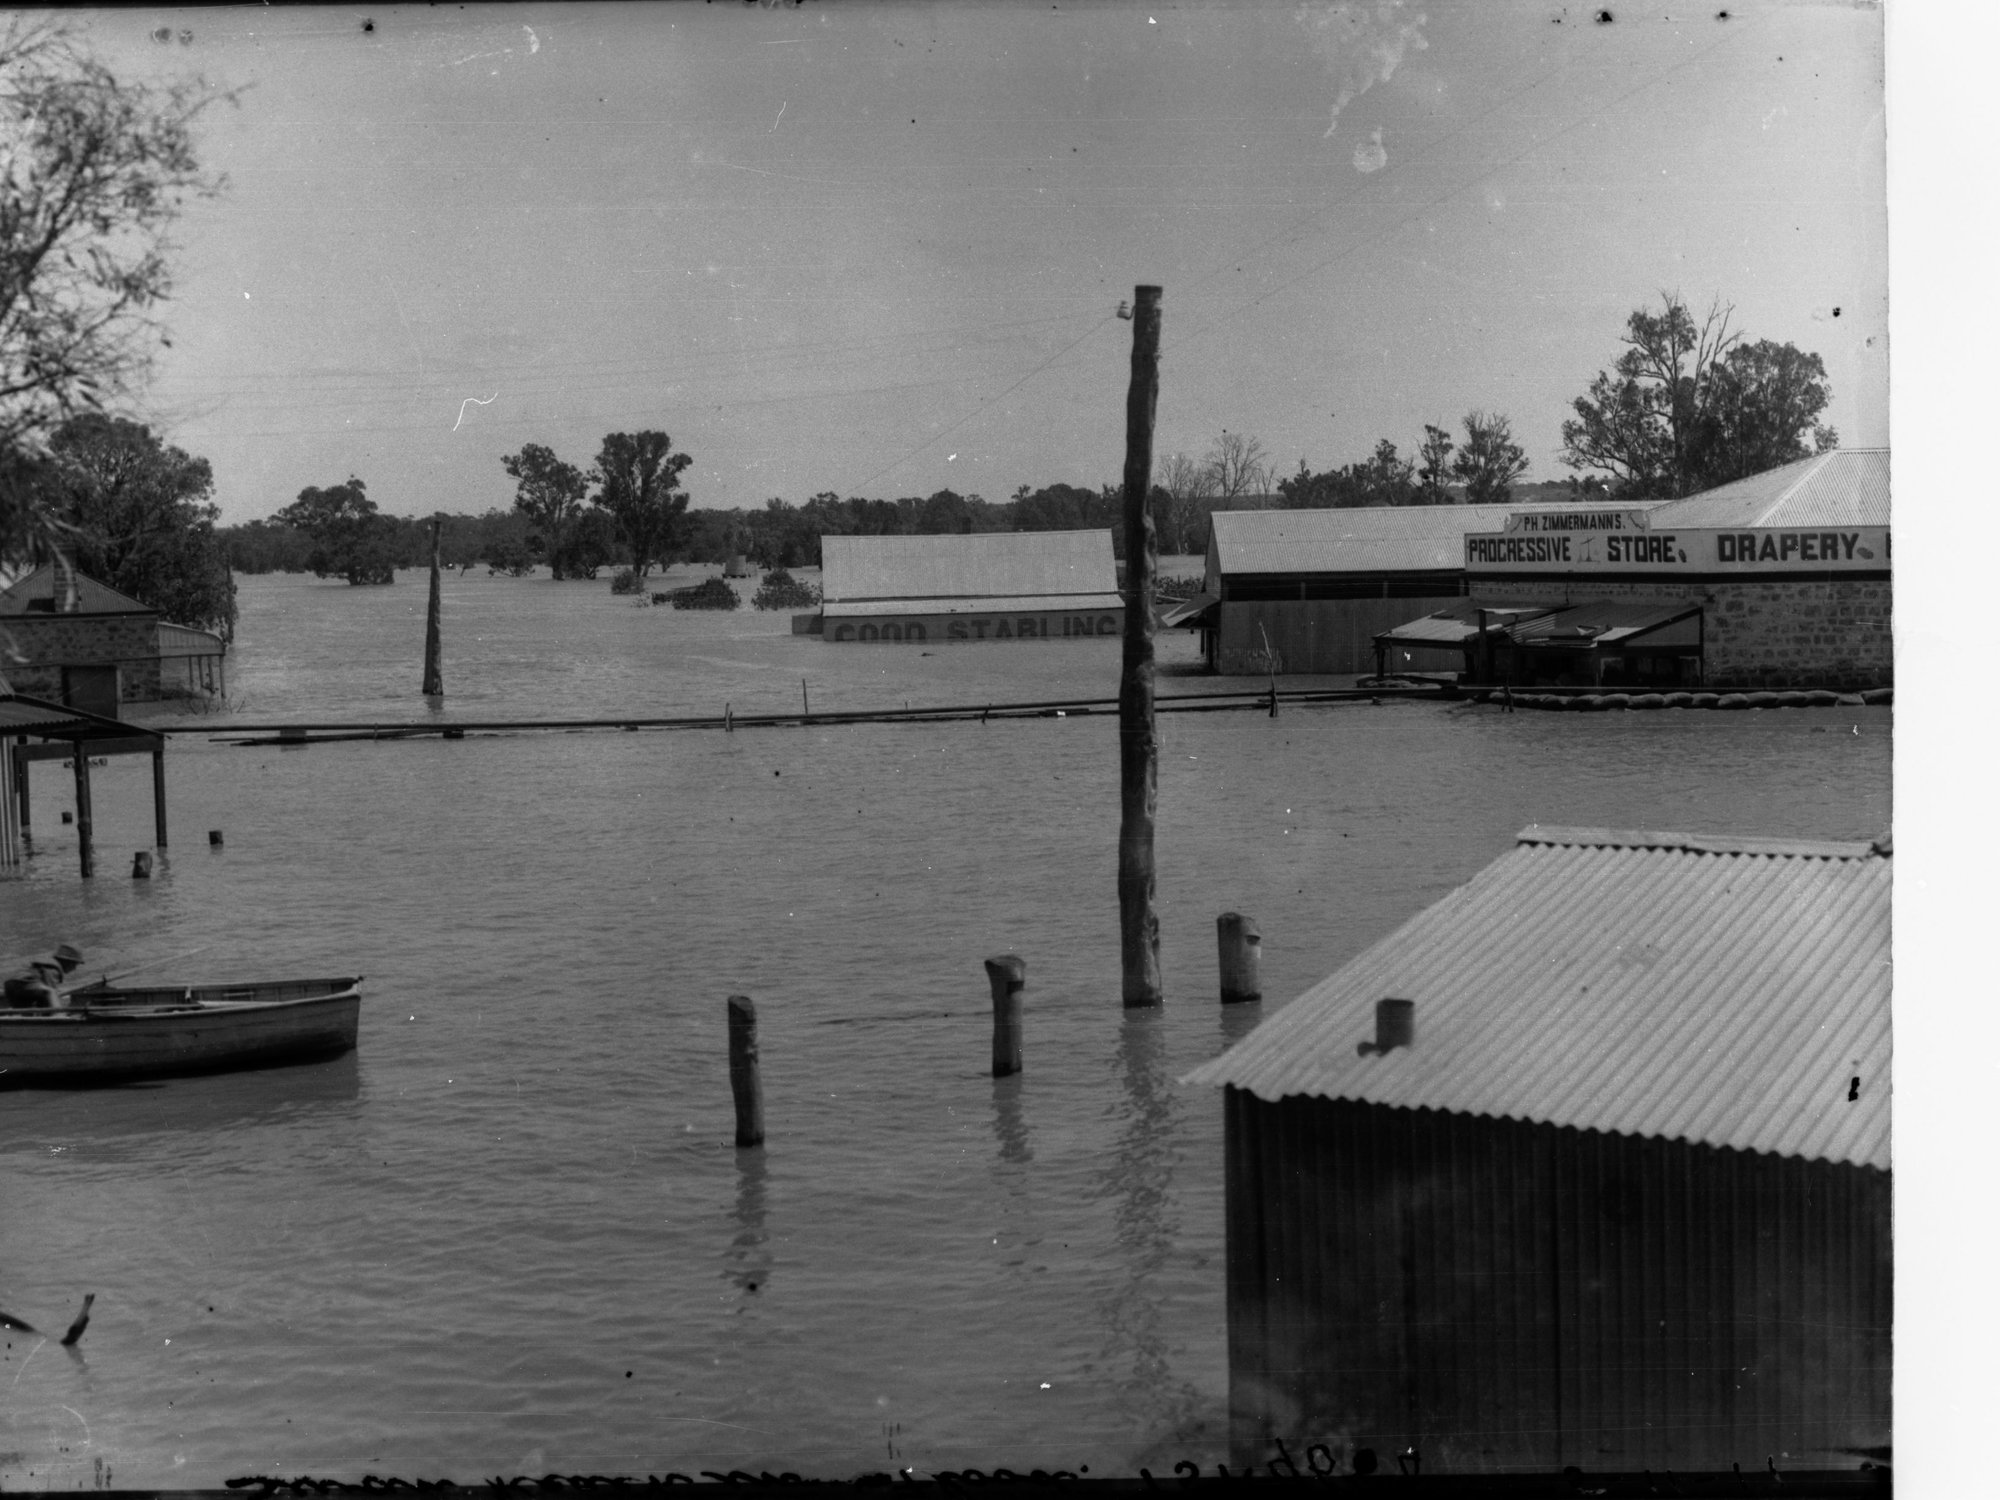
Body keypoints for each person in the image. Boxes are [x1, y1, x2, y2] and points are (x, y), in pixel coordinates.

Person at [3, 944, 83, 1009]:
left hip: (10, 985)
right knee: (50, 992)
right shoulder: (53, 968)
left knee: (25, 1008)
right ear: (67, 962)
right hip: (22, 983)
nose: (74, 968)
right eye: (74, 964)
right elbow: (50, 992)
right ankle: (59, 1016)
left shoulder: (47, 963)